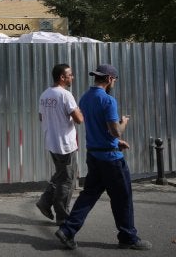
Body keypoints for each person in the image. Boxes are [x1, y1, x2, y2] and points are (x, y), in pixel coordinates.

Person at [55, 64, 152, 251]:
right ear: (109, 79)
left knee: (89, 195)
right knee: (123, 197)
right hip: (111, 160)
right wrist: (123, 123)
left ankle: (67, 230)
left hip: (94, 155)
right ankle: (128, 237)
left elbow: (97, 128)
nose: (114, 82)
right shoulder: (108, 101)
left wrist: (116, 142)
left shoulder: (85, 98)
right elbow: (114, 131)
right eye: (114, 79)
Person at [36, 64, 84, 225]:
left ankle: (44, 202)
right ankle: (63, 217)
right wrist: (78, 110)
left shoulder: (45, 94)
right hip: (65, 144)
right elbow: (79, 119)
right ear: (62, 77)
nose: (73, 77)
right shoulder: (65, 95)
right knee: (66, 180)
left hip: (52, 142)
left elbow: (41, 117)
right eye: (70, 74)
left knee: (60, 175)